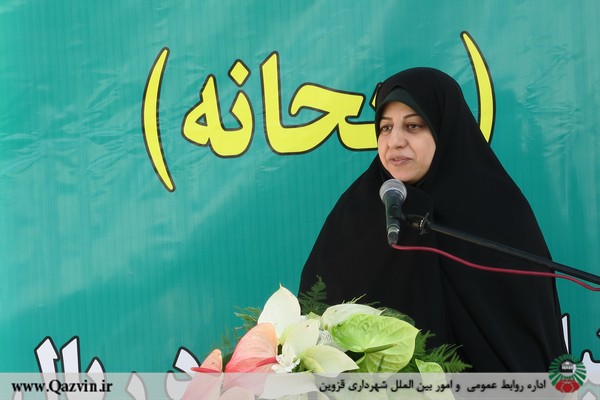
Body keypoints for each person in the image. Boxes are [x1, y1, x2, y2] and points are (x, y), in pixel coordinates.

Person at [299, 67, 566, 372]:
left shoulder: (499, 212)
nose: (395, 141)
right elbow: (313, 327)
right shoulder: (354, 217)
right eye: (385, 128)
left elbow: (527, 346)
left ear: (444, 128)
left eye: (413, 126)